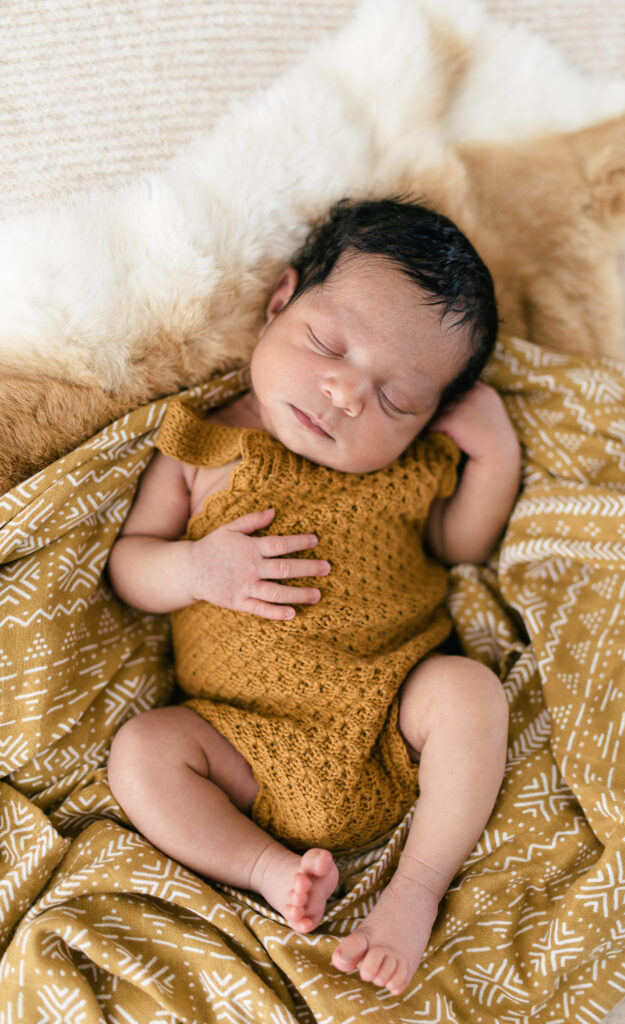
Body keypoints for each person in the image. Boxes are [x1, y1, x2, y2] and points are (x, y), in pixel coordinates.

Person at [106, 198, 519, 996]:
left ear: (427, 418)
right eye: (327, 344)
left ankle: (414, 889)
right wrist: (195, 570)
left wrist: (494, 460)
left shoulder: (404, 468)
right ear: (278, 301)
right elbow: (129, 566)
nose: (346, 394)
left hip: (391, 725)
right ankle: (267, 869)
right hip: (237, 744)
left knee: (468, 693)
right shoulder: (204, 447)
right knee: (141, 753)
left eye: (397, 399)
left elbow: (458, 545)